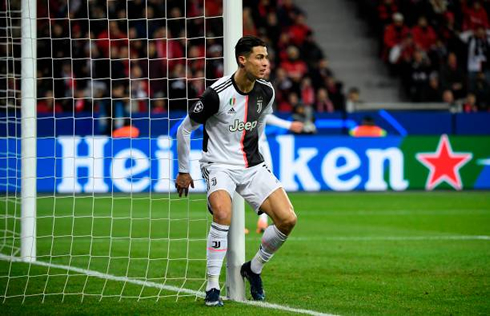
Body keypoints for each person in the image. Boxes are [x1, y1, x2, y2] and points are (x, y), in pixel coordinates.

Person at [175, 36, 297, 307]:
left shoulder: (267, 91)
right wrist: (184, 170)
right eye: (259, 57)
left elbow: (261, 123)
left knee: (288, 220)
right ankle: (212, 286)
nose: (265, 63)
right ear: (242, 60)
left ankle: (253, 269)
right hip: (218, 164)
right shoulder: (216, 94)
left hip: (252, 166)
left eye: (266, 57)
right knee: (223, 213)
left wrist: (261, 161)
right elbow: (184, 130)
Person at [256, 115, 303, 233]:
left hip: (261, 145)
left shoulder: (260, 97)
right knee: (237, 184)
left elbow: (265, 115)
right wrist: (288, 125)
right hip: (240, 147)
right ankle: (234, 225)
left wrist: (289, 125)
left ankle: (263, 221)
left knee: (267, 181)